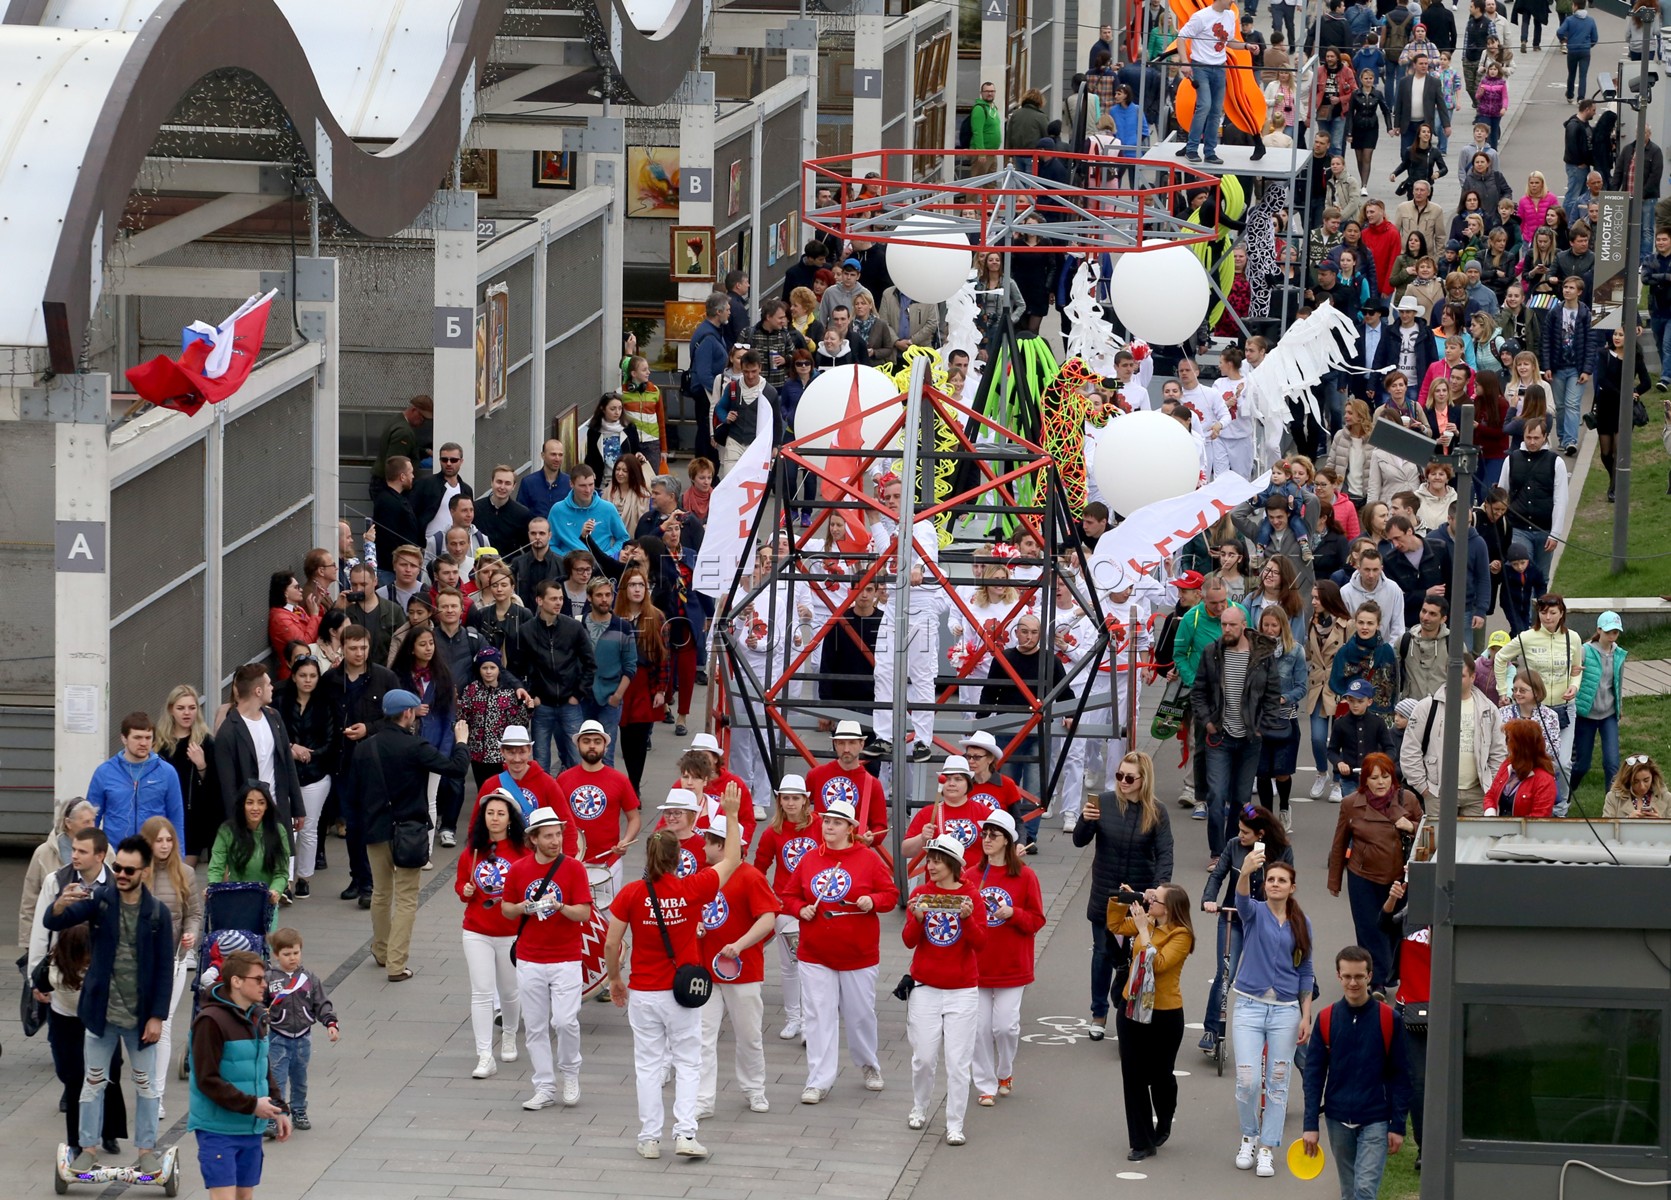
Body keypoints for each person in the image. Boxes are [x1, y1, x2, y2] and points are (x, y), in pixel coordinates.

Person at [604, 785, 744, 1160]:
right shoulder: (692, 888)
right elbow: (732, 859)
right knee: (688, 1062)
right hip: (681, 993)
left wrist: (615, 979)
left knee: (649, 1067)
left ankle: (650, 1138)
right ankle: (685, 1134)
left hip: (643, 992)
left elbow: (612, 943)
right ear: (678, 858)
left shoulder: (631, 894)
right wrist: (731, 815)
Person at [46, 834, 175, 1180]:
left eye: (129, 870)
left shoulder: (157, 914)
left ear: (144, 872)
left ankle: (146, 1151)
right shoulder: (102, 900)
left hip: (140, 1020)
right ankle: (87, 1149)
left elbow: (165, 969)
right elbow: (54, 921)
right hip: (100, 1016)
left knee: (146, 1087)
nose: (120, 874)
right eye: (117, 867)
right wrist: (59, 905)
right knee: (92, 1084)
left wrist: (157, 1016)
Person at [783, 796, 901, 1103]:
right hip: (815, 953)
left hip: (858, 955)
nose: (829, 827)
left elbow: (890, 895)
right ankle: (818, 1080)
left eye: (837, 823)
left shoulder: (867, 859)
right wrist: (801, 909)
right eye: (827, 821)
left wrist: (872, 901)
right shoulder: (810, 859)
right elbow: (789, 895)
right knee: (818, 1017)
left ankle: (868, 1064)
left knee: (860, 1015)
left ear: (850, 828)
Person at [352, 690, 470, 980]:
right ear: (407, 713)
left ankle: (381, 951)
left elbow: (354, 793)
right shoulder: (416, 746)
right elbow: (456, 769)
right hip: (409, 831)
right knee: (406, 898)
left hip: (376, 830)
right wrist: (461, 742)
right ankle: (396, 963)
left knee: (381, 893)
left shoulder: (365, 748)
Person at [1071, 752, 1175, 1042]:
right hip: (1105, 896)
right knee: (1102, 953)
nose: (1123, 782)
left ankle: (1129, 1014)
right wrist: (1085, 820)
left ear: (1144, 780)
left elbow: (1165, 853)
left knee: (1137, 955)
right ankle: (1098, 1014)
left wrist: (1158, 889)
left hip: (1139, 898)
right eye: (1119, 775)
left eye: (1130, 777)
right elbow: (1079, 840)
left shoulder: (1157, 811)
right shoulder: (1103, 803)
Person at [1300, 946, 1414, 1196]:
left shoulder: (1389, 1019)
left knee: (1364, 1190)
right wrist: (1310, 1124)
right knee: (1349, 1191)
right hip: (1337, 1119)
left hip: (1375, 1119)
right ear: (1338, 976)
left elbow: (1401, 1075)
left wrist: (1398, 1125)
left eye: (1359, 976)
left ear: (1369, 976)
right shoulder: (1327, 1019)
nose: (1353, 983)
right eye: (1347, 976)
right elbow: (1313, 1076)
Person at [500, 806, 593, 1111]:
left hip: (566, 958)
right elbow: (506, 908)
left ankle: (570, 1072)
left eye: (558, 835)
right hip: (530, 958)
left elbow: (584, 912)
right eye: (548, 836)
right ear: (534, 839)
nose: (555, 841)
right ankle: (544, 1086)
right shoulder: (519, 870)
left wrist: (560, 906)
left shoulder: (573, 869)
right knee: (536, 1026)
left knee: (565, 1021)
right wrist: (523, 907)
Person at [1230, 849, 1314, 1177]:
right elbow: (1240, 900)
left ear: (1292, 887)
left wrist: (1305, 1015)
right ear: (1264, 885)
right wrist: (1245, 871)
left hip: (1286, 1012)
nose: (1275, 884)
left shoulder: (1302, 922)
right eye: (1270, 880)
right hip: (1249, 1007)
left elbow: (1306, 970)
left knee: (1278, 1082)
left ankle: (1267, 1147)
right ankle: (1249, 1136)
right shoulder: (1254, 912)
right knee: (1247, 1080)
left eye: (1282, 880)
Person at [900, 834, 985, 1146]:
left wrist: (967, 920)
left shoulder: (971, 896)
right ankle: (919, 1106)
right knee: (923, 1057)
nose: (931, 866)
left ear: (952, 865)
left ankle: (955, 1123)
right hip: (925, 988)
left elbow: (981, 943)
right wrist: (917, 920)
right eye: (930, 860)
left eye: (937, 861)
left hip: (962, 991)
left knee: (958, 1062)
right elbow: (908, 941)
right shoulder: (920, 893)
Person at [186, 945, 291, 1195]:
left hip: (250, 1129)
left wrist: (279, 1107)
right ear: (236, 981)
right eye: (258, 979)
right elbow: (206, 1079)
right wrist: (252, 1105)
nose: (264, 984)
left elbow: (263, 1067)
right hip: (218, 1130)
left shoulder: (256, 1017)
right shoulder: (210, 1021)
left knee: (244, 1195)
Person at [694, 814, 780, 1117]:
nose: (702, 847)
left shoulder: (751, 877)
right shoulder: (705, 875)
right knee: (702, 1037)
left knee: (749, 1035)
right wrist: (696, 926)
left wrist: (740, 945)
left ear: (722, 845)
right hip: (706, 971)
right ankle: (703, 1100)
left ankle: (754, 1089)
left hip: (743, 971)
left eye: (708, 842)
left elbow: (768, 918)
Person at [1109, 883, 1195, 1162]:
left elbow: (1156, 965)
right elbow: (1115, 925)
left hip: (1164, 1014)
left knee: (1160, 1077)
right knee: (1133, 1076)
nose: (1149, 902)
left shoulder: (1181, 934)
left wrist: (1143, 930)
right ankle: (1142, 1141)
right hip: (1132, 1006)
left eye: (1155, 899)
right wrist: (1123, 899)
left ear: (1168, 908)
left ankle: (1164, 1119)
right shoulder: (1147, 921)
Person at [1192, 606, 1284, 859]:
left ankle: (1232, 848)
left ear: (1244, 625)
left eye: (1232, 625)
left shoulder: (1262, 655)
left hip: (1250, 738)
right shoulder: (1211, 653)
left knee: (1241, 798)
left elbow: (1272, 693)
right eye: (1223, 625)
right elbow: (1198, 691)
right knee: (1216, 795)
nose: (1227, 629)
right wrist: (1208, 722)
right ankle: (1217, 852)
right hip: (1219, 736)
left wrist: (1262, 727)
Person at [1200, 804, 1293, 1055]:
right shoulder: (1233, 846)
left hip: (1265, 921)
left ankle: (1263, 1030)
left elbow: (1287, 885)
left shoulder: (1282, 850)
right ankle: (1211, 1030)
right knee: (1225, 973)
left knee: (1264, 976)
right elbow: (1217, 876)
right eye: (1239, 830)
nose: (1240, 835)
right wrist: (1209, 899)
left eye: (1245, 832)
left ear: (1261, 834)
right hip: (1233, 917)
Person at [1327, 754, 1422, 991]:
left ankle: (1390, 974)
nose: (1380, 782)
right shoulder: (1350, 803)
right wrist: (1334, 881)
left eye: (1385, 776)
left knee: (1397, 929)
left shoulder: (1408, 799)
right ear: (1365, 781)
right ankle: (1376, 982)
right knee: (1369, 930)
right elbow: (1340, 843)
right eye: (1374, 777)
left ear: (1393, 778)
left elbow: (1430, 834)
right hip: (1363, 877)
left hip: (1400, 878)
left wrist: (1411, 826)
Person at [969, 810, 1043, 1106]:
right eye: (984, 834)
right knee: (979, 1029)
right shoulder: (971, 875)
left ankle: (1004, 1072)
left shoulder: (1025, 876)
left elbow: (1037, 920)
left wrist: (1014, 913)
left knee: (1005, 1027)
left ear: (1007, 841)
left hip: (1012, 965)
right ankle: (985, 1084)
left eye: (993, 835)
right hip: (977, 965)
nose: (986, 839)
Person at [456, 791, 528, 1078]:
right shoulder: (472, 851)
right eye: (490, 813)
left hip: (511, 933)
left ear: (510, 819)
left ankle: (509, 1034)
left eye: (500, 813)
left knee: (509, 992)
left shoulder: (522, 852)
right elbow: (461, 886)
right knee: (482, 992)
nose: (494, 818)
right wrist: (466, 890)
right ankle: (484, 1055)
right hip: (476, 931)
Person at [139, 816, 200, 1111]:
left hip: (173, 961)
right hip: (139, 964)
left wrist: (191, 934)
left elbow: (194, 914)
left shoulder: (185, 873)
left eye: (169, 840)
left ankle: (156, 1095)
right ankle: (144, 1086)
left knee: (163, 1024)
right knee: (141, 1027)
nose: (164, 845)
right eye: (158, 840)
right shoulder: (136, 872)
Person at [751, 775, 818, 1040]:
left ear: (805, 800)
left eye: (795, 798)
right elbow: (759, 868)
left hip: (816, 906)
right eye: (786, 798)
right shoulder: (772, 832)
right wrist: (767, 899)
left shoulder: (821, 825)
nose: (790, 803)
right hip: (786, 907)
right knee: (790, 965)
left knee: (812, 967)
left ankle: (810, 1021)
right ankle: (793, 1019)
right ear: (779, 801)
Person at [508, 579, 596, 775]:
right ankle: (544, 795)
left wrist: (578, 694)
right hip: (542, 704)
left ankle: (574, 793)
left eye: (561, 598)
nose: (558, 603)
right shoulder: (525, 631)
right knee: (540, 761)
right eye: (553, 599)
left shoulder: (573, 627)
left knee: (577, 757)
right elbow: (514, 669)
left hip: (570, 702)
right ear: (540, 600)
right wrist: (531, 695)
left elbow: (590, 663)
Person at [1493, 593, 1584, 782]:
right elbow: (1500, 658)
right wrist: (1503, 691)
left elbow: (1577, 668)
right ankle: (1532, 795)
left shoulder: (1573, 637)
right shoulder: (1527, 637)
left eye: (1553, 613)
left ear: (1562, 613)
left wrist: (1574, 686)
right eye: (1543, 613)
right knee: (1533, 762)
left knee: (1563, 764)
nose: (1548, 617)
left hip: (1564, 708)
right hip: (1534, 709)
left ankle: (1560, 802)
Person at [1400, 655, 1508, 815]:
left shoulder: (1489, 709)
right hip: (1437, 793)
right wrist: (1423, 787)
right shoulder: (1427, 706)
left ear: (1473, 677)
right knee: (1437, 833)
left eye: (1461, 675)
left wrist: (1490, 786)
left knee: (1479, 833)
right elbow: (1410, 749)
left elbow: (1499, 751)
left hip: (1478, 794)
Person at [263, 928, 339, 1133]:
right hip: (278, 1037)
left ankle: (299, 1110)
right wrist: (261, 1016)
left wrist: (330, 1023)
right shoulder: (269, 979)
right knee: (277, 1079)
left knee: (300, 1079)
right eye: (287, 954)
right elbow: (259, 1004)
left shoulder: (309, 978)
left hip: (303, 1037)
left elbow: (321, 1002)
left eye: (296, 953)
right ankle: (275, 1115)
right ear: (276, 955)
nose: (292, 958)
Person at [276, 656, 336, 899]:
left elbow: (331, 740)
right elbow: (276, 735)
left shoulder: (325, 704)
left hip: (316, 774)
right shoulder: (281, 702)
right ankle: (286, 880)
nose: (308, 680)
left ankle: (304, 877)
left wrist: (309, 754)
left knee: (309, 828)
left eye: (312, 676)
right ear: (293, 677)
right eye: (303, 675)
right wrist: (292, 748)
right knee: (288, 829)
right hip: (287, 774)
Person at [88, 712, 186, 852]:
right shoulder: (104, 772)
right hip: (116, 853)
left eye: (148, 738)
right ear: (124, 738)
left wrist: (178, 857)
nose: (143, 743)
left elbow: (176, 819)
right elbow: (92, 819)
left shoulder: (167, 772)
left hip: (154, 854)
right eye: (137, 737)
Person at [1176, 0, 1254, 164]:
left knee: (1216, 110)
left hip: (1219, 67)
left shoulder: (1230, 15)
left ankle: (1210, 151)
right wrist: (1184, 62)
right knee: (1204, 105)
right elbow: (1181, 37)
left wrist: (1246, 46)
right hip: (1201, 67)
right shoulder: (1201, 16)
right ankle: (1191, 149)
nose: (1233, 1)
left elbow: (1229, 41)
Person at [207, 783, 291, 915]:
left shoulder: (278, 831)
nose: (255, 808)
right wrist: (212, 887)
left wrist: (275, 891)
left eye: (261, 803)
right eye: (250, 803)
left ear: (267, 806)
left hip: (266, 901)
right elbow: (216, 867)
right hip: (235, 899)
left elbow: (281, 872)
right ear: (242, 805)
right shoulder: (227, 831)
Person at [1482, 719, 1559, 817]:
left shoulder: (1544, 780)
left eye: (1509, 740)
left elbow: (1539, 818)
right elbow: (1491, 795)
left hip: (1525, 827)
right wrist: (1490, 814)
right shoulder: (1507, 764)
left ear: (1521, 747)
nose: (1506, 744)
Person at [1556, 0, 1598, 103]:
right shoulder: (1590, 20)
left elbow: (1560, 32)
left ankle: (1570, 95)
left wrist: (1564, 40)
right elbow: (1595, 38)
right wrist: (1589, 45)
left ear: (1575, 6)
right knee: (1583, 75)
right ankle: (1581, 97)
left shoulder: (1569, 20)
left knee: (1571, 73)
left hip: (1572, 50)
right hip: (1585, 51)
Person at [1604, 754, 1666, 819]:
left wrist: (1661, 822)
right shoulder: (1613, 798)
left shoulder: (1666, 797)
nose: (1642, 787)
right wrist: (1627, 820)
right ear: (1627, 780)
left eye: (1646, 780)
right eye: (1636, 782)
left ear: (1653, 776)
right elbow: (1605, 824)